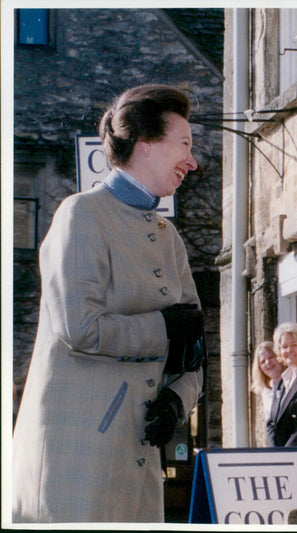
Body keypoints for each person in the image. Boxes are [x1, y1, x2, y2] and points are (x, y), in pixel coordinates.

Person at [12, 84, 205, 523]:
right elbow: (80, 327)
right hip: (75, 467)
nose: (192, 161)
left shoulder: (168, 236)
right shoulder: (80, 214)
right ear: (147, 144)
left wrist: (177, 399)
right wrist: (163, 327)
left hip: (138, 465)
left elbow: (193, 349)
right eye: (185, 144)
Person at [266, 322, 297, 447]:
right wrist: (275, 452)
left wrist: (287, 453)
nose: (289, 350)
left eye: (294, 345)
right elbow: (271, 423)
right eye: (284, 346)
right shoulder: (281, 382)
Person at [250, 340, 286, 424]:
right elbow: (270, 423)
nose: (267, 362)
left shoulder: (292, 381)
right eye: (263, 361)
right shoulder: (266, 391)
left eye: (271, 357)